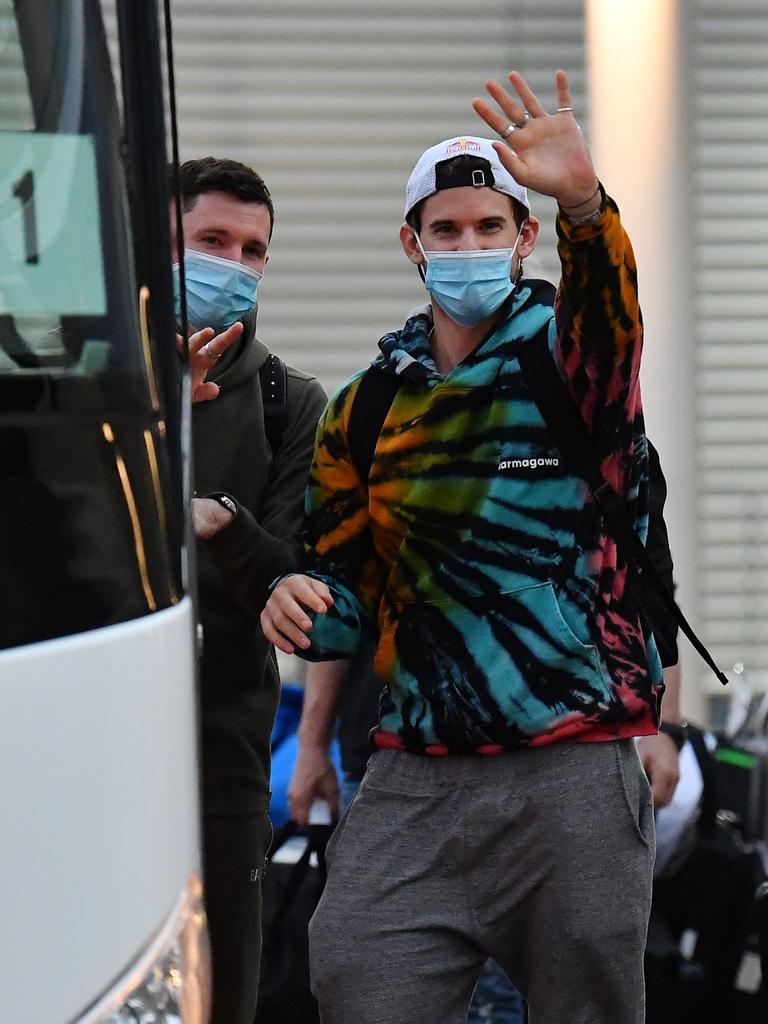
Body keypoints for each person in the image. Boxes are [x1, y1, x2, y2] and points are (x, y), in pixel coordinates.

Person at [261, 70, 665, 1024]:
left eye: (491, 227)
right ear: (413, 243)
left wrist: (581, 204)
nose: (469, 247)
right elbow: (347, 592)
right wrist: (297, 601)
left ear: (524, 239)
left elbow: (613, 317)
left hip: (571, 761)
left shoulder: (571, 360)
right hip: (414, 772)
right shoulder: (365, 407)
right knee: (356, 974)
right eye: (447, 230)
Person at [171, 157, 328, 1024]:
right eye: (212, 241)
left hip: (222, 756)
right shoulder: (89, 387)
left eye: (254, 250)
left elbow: (288, 579)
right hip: (85, 743)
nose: (235, 264)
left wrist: (222, 520)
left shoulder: (288, 401)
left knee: (221, 994)